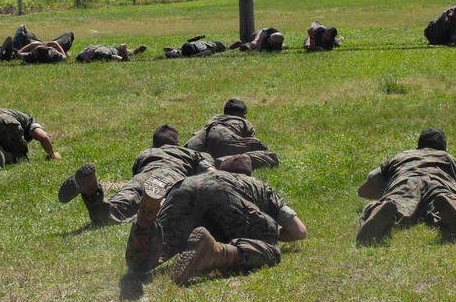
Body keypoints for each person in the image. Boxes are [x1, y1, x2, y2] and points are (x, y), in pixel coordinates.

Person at [124, 164, 307, 285]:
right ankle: (217, 252)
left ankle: (144, 221)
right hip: (222, 194)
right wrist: (266, 236)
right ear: (247, 173)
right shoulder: (258, 186)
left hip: (184, 187)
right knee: (271, 249)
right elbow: (299, 232)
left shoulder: (215, 175)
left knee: (143, 263)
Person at [58, 125, 217, 226]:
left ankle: (93, 191)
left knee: (128, 196)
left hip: (143, 176)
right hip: (170, 176)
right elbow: (211, 173)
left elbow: (136, 172)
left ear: (155, 143)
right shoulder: (189, 152)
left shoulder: (146, 153)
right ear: (176, 143)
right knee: (159, 206)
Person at [356, 128, 456, 245]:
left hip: (407, 181)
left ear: (418, 146)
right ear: (444, 148)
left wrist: (387, 192)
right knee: (451, 198)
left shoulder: (402, 156)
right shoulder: (447, 157)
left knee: (397, 204)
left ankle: (381, 209)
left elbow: (364, 190)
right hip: (439, 181)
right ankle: (454, 206)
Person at [183, 98, 279, 169]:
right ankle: (224, 161)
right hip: (223, 137)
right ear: (244, 115)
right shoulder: (243, 121)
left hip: (197, 140)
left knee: (193, 158)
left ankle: (203, 162)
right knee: (270, 156)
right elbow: (254, 144)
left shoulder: (214, 119)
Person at [75, 43, 147, 62]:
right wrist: (124, 49)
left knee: (122, 51)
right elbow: (124, 60)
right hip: (110, 50)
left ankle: (134, 51)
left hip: (109, 49)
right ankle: (133, 51)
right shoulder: (103, 55)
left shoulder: (81, 56)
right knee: (124, 52)